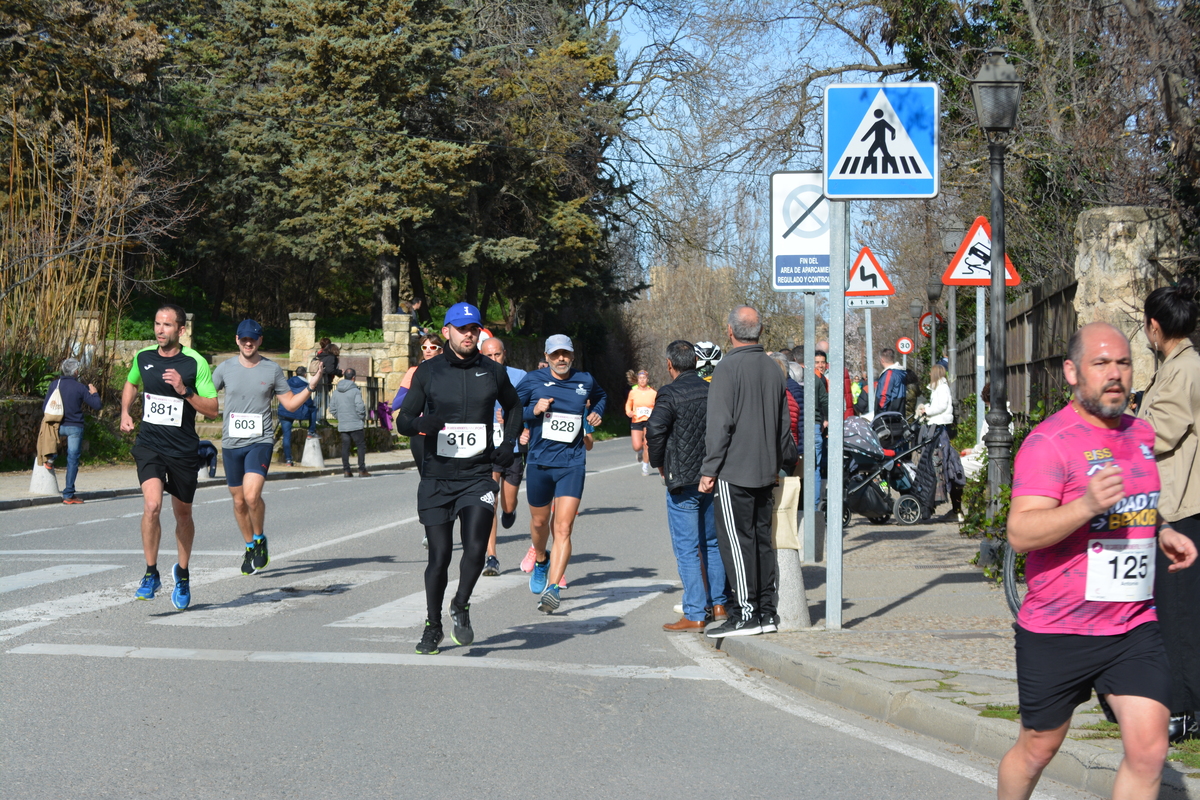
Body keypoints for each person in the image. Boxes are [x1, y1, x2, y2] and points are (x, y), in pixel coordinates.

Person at [998, 322, 1197, 800]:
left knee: (1150, 750)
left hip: (1132, 625)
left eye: (1123, 363)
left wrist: (1163, 531)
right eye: (1101, 364)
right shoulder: (1049, 442)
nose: (1115, 374)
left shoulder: (1141, 434)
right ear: (1072, 372)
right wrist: (1085, 505)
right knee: (1038, 748)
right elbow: (1021, 532)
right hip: (1058, 629)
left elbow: (1138, 508)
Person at [395, 302, 522, 654]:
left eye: (474, 329)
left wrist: (509, 444)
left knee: (477, 548)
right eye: (462, 329)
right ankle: (432, 625)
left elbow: (514, 407)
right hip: (437, 477)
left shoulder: (492, 371)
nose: (469, 334)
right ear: (447, 331)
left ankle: (461, 604)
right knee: (439, 557)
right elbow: (402, 421)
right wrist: (420, 423)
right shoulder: (428, 372)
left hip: (477, 474)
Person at [700, 306, 797, 638]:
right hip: (766, 469)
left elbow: (719, 425)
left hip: (733, 470)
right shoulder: (773, 368)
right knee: (761, 542)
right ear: (761, 331)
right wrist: (783, 463)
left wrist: (709, 468)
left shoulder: (727, 368)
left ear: (730, 332)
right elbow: (784, 425)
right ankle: (767, 611)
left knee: (736, 543)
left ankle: (745, 613)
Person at [119, 304, 219, 610]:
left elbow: (213, 410)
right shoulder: (143, 356)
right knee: (152, 506)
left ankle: (184, 574)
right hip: (149, 444)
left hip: (182, 449)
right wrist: (124, 412)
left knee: (183, 515)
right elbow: (130, 383)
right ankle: (151, 573)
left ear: (181, 329)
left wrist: (184, 390)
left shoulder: (195, 363)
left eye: (167, 325)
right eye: (157, 324)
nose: (160, 330)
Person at [1137, 277, 1200, 742]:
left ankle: (1183, 711)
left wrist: (1115, 428)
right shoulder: (1177, 365)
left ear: (1155, 326)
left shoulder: (1184, 370)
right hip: (1176, 504)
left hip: (1181, 507)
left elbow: (1159, 433)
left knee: (1177, 615)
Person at [211, 320, 323, 575]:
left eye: (253, 339)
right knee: (239, 501)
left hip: (259, 442)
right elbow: (205, 394)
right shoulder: (224, 368)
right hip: (230, 444)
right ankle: (250, 546)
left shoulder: (271, 370)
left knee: (251, 496)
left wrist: (312, 385)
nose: (248, 343)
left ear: (260, 340)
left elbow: (291, 404)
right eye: (244, 339)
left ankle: (260, 539)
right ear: (237, 340)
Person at [517, 334, 606, 613]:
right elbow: (511, 411)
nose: (561, 359)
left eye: (565, 353)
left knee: (564, 527)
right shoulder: (533, 380)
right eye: (555, 354)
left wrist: (597, 414)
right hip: (540, 463)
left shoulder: (585, 381)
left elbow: (601, 397)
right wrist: (534, 409)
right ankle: (541, 559)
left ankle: (553, 589)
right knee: (540, 522)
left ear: (572, 355)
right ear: (547, 356)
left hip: (572, 462)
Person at [647, 340, 728, 631]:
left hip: (682, 480)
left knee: (686, 548)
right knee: (712, 543)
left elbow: (654, 429)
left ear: (670, 365)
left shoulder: (669, 393)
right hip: (712, 476)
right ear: (696, 362)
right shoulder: (712, 389)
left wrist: (660, 465)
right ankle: (719, 604)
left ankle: (695, 612)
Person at [479, 335, 526, 577]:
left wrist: (518, 424)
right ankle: (491, 557)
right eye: (488, 355)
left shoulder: (519, 376)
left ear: (504, 354)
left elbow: (529, 407)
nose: (494, 359)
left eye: (497, 354)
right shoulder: (475, 376)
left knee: (507, 504)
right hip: (487, 449)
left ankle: (510, 511)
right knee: (490, 503)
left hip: (513, 449)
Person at [42, 358, 101, 504]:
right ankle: (68, 495)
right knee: (72, 460)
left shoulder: (54, 384)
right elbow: (97, 405)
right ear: (76, 372)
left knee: (53, 443)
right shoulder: (80, 387)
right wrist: (94, 393)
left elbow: (45, 407)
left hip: (57, 424)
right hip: (75, 427)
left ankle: (50, 457)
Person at [915, 364, 965, 521]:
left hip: (939, 428)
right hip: (936, 426)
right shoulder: (939, 388)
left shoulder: (942, 388)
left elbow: (941, 406)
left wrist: (927, 411)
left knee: (939, 461)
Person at [392, 333, 443, 478]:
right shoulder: (414, 372)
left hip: (444, 431)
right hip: (420, 433)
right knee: (426, 478)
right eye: (424, 347)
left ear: (441, 350)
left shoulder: (448, 372)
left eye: (432, 347)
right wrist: (419, 390)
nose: (427, 350)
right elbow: (396, 403)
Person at [277, 364, 320, 466]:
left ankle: (288, 460)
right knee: (313, 409)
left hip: (284, 410)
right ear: (305, 374)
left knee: (286, 436)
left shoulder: (286, 382)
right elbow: (308, 403)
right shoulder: (307, 385)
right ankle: (311, 431)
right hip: (298, 411)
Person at [330, 368, 369, 477]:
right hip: (355, 423)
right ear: (353, 378)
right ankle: (362, 470)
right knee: (360, 446)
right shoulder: (355, 391)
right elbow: (360, 406)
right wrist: (361, 417)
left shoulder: (336, 391)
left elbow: (332, 408)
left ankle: (346, 470)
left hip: (343, 424)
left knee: (345, 447)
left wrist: (340, 417)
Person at [626, 369, 657, 475]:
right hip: (637, 420)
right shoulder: (633, 392)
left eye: (644, 378)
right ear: (637, 380)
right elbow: (628, 405)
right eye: (640, 378)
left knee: (647, 445)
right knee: (637, 446)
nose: (642, 380)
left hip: (649, 421)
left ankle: (645, 467)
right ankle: (639, 452)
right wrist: (629, 412)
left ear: (647, 379)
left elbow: (657, 406)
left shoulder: (653, 393)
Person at [313, 337, 340, 422]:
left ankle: (317, 418)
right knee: (324, 401)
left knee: (320, 400)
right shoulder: (330, 357)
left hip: (318, 380)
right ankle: (319, 418)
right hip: (324, 382)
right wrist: (339, 372)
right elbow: (330, 370)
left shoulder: (320, 354)